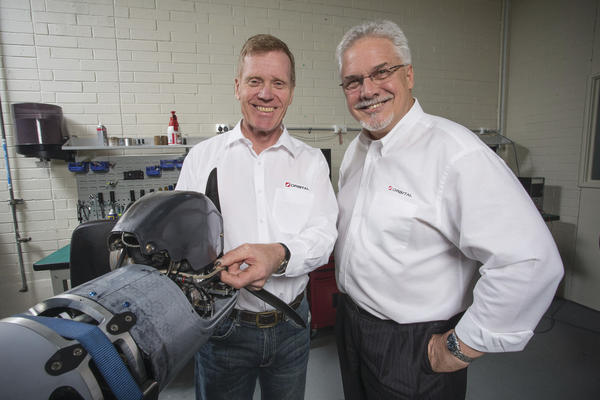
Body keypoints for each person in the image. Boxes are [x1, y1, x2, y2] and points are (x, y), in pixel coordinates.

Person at [333, 20, 564, 399]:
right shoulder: (358, 152)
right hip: (353, 329)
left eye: (381, 72)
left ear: (408, 74)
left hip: (415, 344)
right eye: (353, 81)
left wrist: (459, 347)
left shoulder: (455, 153)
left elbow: (531, 262)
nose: (368, 90)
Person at [175, 34, 337, 400]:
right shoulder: (202, 159)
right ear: (237, 87)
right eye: (255, 81)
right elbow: (183, 242)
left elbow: (324, 235)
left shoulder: (310, 163)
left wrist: (277, 256)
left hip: (292, 327)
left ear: (291, 91)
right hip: (222, 330)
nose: (266, 94)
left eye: (278, 83)